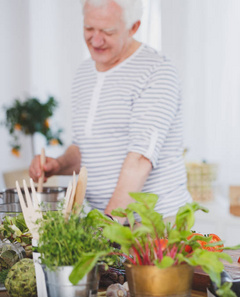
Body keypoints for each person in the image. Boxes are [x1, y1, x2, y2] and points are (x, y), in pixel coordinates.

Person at [29, 0, 192, 220]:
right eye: (89, 29)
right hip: (105, 220)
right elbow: (86, 150)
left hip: (154, 222)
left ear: (133, 27)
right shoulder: (84, 73)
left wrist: (106, 229)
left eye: (107, 31)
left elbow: (140, 161)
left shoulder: (157, 71)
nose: (95, 40)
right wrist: (57, 165)